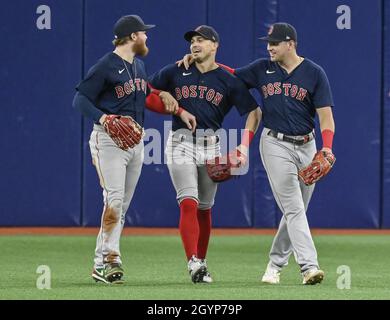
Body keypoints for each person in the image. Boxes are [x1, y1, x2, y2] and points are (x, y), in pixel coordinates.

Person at [180, 22, 336, 285]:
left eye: (275, 43)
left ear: (291, 44)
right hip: (275, 143)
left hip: (308, 145)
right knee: (294, 208)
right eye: (268, 43)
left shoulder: (314, 73)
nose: (269, 47)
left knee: (297, 211)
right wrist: (197, 61)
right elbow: (228, 74)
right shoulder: (262, 68)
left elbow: (326, 117)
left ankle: (274, 265)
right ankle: (309, 267)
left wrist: (327, 146)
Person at [72, 15, 196, 284]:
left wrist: (178, 108)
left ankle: (100, 263)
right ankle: (111, 259)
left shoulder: (138, 66)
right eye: (143, 33)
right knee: (114, 199)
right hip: (108, 141)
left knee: (121, 205)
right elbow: (80, 99)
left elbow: (146, 95)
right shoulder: (106, 65)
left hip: (135, 142)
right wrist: (104, 118)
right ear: (132, 37)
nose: (147, 37)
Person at [149, 25, 262, 283]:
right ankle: (193, 262)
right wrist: (162, 92)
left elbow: (254, 112)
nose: (195, 44)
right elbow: (144, 90)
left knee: (204, 209)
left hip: (211, 145)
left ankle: (201, 262)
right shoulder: (175, 70)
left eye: (201, 40)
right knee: (188, 201)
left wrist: (244, 145)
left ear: (214, 46)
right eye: (192, 41)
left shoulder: (227, 79)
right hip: (180, 142)